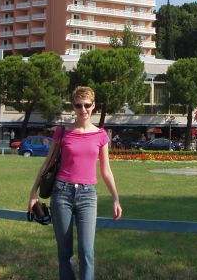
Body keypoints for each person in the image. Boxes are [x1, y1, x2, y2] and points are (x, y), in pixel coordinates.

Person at [29, 86, 122, 280]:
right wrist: (33, 194)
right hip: (61, 193)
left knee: (87, 252)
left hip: (88, 196)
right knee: (64, 253)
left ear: (93, 105)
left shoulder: (101, 135)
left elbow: (106, 170)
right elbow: (47, 163)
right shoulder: (63, 132)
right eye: (78, 105)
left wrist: (115, 199)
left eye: (87, 105)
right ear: (73, 106)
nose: (83, 109)